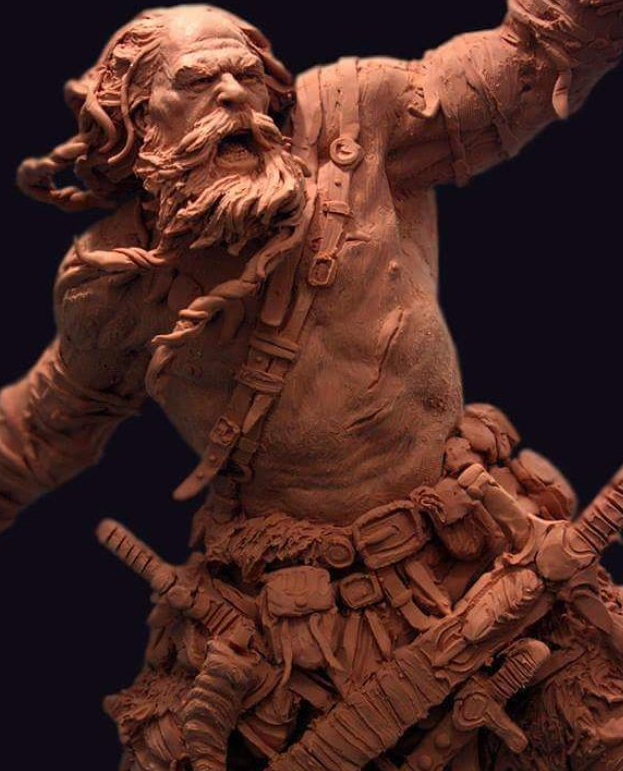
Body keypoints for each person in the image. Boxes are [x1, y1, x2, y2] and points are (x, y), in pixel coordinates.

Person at [1, 5, 621, 770]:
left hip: (480, 553)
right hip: (285, 632)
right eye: (197, 81)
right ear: (135, 121)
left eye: (246, 75)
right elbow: (44, 426)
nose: (233, 94)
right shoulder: (115, 281)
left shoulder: (353, 125)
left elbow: (523, 65)